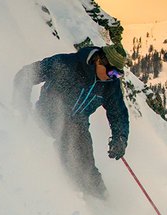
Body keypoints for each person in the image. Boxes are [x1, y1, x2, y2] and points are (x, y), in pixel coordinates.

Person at [13, 44, 130, 198]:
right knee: (65, 158)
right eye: (112, 72)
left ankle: (102, 202)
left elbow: (118, 112)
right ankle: (65, 195)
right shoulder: (66, 63)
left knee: (87, 168)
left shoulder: (110, 85)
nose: (112, 77)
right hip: (46, 118)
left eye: (117, 75)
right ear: (99, 61)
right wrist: (21, 102)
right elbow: (26, 74)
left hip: (78, 126)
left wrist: (120, 138)